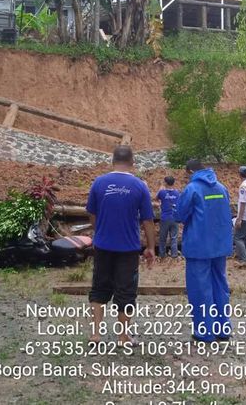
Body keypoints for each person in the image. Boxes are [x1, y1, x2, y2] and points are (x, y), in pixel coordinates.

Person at [85, 146, 156, 344]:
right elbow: (148, 221)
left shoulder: (99, 183)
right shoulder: (140, 186)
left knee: (99, 288)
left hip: (103, 246)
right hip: (128, 249)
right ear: (133, 162)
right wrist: (150, 247)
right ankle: (123, 336)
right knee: (126, 291)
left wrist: (98, 231)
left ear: (112, 161)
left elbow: (92, 212)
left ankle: (95, 335)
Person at [175, 160, 233, 343]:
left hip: (198, 247)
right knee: (220, 287)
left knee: (200, 290)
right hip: (220, 246)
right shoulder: (222, 188)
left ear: (191, 171)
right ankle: (222, 330)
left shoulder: (192, 189)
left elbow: (180, 215)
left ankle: (204, 332)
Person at [156, 176, 180, 259]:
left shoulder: (162, 192)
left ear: (165, 183)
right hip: (174, 218)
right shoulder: (177, 193)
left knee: (163, 238)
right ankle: (174, 255)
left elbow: (156, 198)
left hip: (165, 218)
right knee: (174, 238)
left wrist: (160, 188)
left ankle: (162, 255)